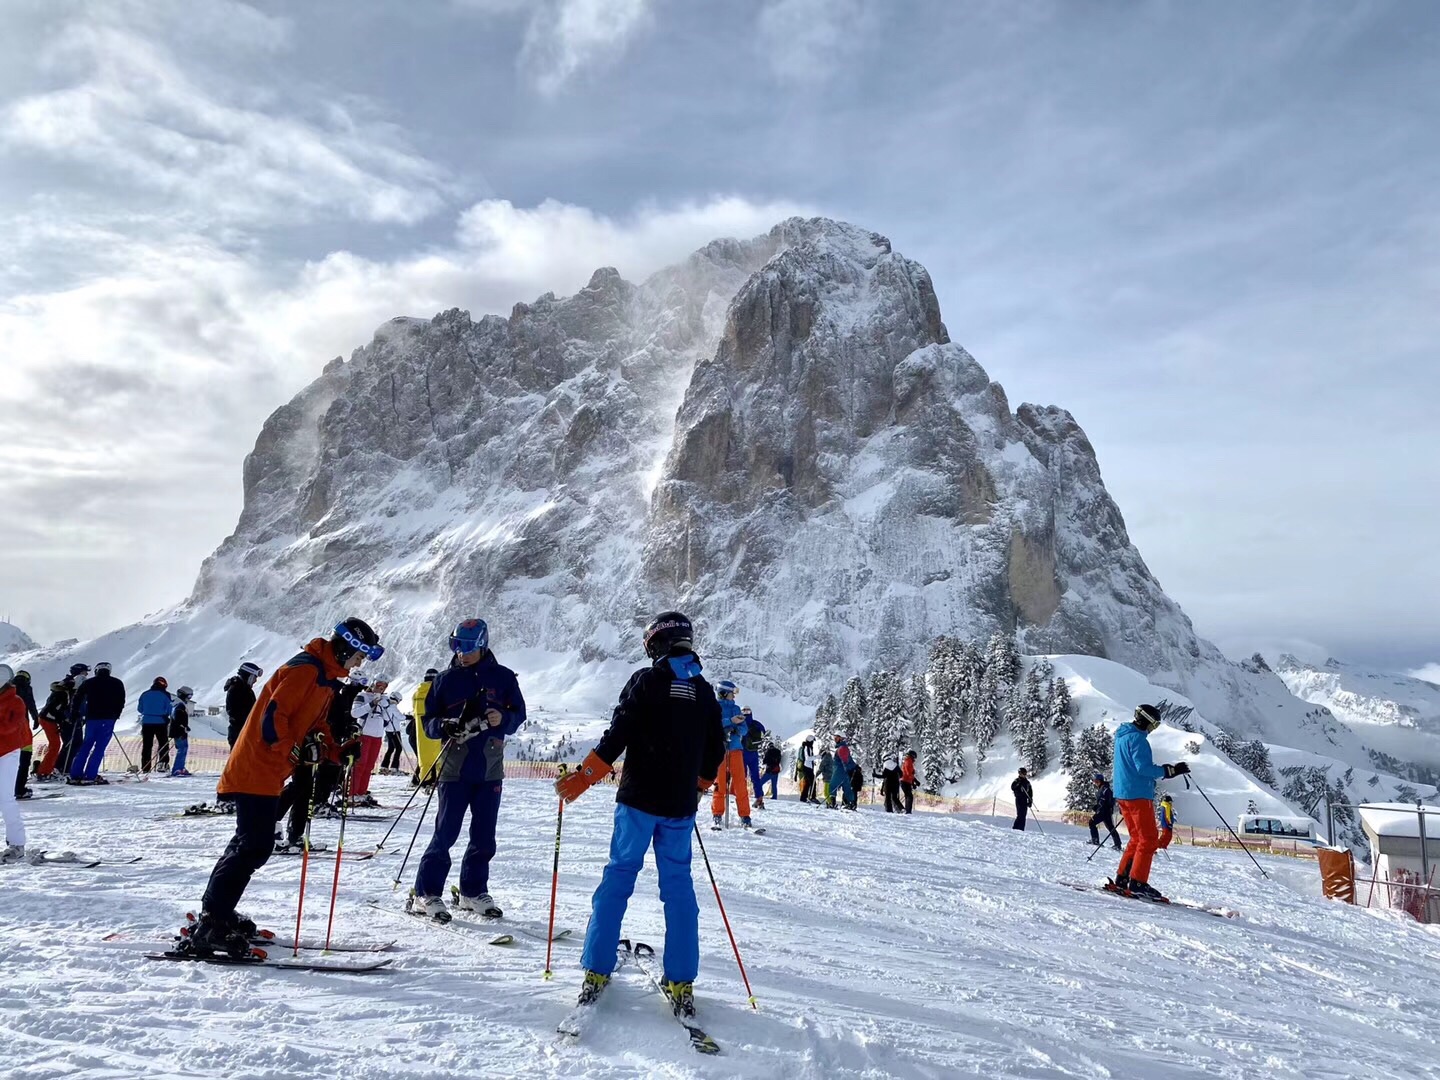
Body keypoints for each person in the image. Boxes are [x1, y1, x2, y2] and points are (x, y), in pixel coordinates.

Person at [554, 610, 724, 1018]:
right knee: (679, 891)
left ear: (656, 645)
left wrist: (583, 778)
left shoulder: (647, 680)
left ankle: (596, 970)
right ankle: (681, 979)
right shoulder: (703, 691)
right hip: (679, 809)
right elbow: (715, 750)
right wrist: (698, 788)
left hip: (637, 803)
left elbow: (619, 734)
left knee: (617, 879)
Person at [184, 618, 380, 956]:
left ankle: (215, 913)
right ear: (346, 647)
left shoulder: (324, 678)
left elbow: (314, 725)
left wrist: (336, 748)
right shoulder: (305, 670)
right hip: (257, 766)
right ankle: (212, 922)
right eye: (359, 654)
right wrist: (296, 749)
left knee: (248, 843)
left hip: (269, 770)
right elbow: (274, 719)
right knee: (255, 845)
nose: (360, 662)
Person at [412, 619, 526, 920]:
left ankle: (472, 892)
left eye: (468, 647)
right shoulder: (445, 680)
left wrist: (501, 717)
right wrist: (445, 725)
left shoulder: (502, 677)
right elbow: (428, 723)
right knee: (446, 831)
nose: (462, 653)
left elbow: (518, 714)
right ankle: (426, 893)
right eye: (456, 646)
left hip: (489, 768)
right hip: (455, 767)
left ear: (483, 644)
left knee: (484, 835)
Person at [1111, 703, 1189, 901]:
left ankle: (1123, 878)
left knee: (1136, 838)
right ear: (1146, 721)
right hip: (1138, 794)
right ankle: (1137, 883)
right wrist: (1169, 771)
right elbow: (1143, 768)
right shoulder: (1138, 740)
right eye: (1154, 724)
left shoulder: (1122, 737)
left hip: (1123, 793)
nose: (1153, 729)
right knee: (1148, 839)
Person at [67, 661, 126, 786]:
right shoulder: (117, 683)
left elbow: (77, 697)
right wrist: (116, 715)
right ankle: (90, 775)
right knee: (99, 747)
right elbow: (121, 700)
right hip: (108, 718)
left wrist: (74, 713)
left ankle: (75, 773)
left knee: (86, 745)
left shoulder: (89, 682)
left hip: (92, 718)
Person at [709, 681, 753, 829]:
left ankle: (745, 816)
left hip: (735, 748)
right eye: (731, 693)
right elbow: (711, 725)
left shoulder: (735, 708)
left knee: (740, 782)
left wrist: (736, 730)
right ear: (723, 693)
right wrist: (729, 723)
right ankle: (717, 813)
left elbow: (744, 729)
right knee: (719, 783)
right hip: (719, 749)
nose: (733, 695)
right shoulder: (714, 708)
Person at [0, 665, 29, 862]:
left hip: (7, 753)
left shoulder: (16, 701)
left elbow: (12, 727)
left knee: (5, 798)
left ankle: (17, 844)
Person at [348, 677, 390, 806]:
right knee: (360, 764)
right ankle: (352, 794)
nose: (380, 688)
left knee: (369, 766)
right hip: (364, 734)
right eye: (378, 685)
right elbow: (354, 713)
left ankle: (361, 792)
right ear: (373, 684)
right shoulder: (362, 696)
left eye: (383, 687)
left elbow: (388, 718)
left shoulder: (385, 699)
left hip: (377, 736)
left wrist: (385, 707)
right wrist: (371, 704)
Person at [56, 664, 88, 775]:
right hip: (71, 717)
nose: (87, 674)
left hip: (69, 717)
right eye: (85, 672)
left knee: (71, 743)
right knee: (74, 743)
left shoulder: (67, 682)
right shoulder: (74, 682)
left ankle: (62, 767)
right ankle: (63, 768)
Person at [138, 677, 173, 773]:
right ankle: (162, 765)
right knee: (163, 744)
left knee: (147, 745)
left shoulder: (144, 694)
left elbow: (140, 709)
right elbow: (170, 710)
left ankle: (145, 766)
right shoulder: (165, 695)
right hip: (161, 722)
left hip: (146, 722)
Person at [35, 679, 68, 781]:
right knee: (55, 745)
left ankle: (45, 769)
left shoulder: (55, 694)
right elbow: (54, 709)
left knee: (54, 745)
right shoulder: (61, 694)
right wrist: (62, 720)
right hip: (49, 720)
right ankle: (44, 771)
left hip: (46, 718)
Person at [224, 662, 263, 749]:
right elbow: (233, 712)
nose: (255, 680)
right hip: (239, 733)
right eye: (254, 677)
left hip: (247, 731)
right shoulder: (235, 689)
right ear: (247, 675)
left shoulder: (247, 690)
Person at [412, 667, 440, 786]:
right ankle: (436, 778)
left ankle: (425, 778)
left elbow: (414, 710)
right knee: (437, 754)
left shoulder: (417, 693)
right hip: (434, 726)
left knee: (424, 755)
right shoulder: (436, 692)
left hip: (420, 727)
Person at [11, 672, 37, 799]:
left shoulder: (7, 688)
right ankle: (19, 789)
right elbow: (31, 703)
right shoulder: (26, 688)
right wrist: (35, 718)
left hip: (6, 730)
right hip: (23, 727)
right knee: (24, 760)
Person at [740, 706, 767, 808]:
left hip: (742, 753)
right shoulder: (756, 723)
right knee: (755, 777)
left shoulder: (740, 722)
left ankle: (743, 799)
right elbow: (764, 733)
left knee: (742, 777)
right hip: (754, 754)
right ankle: (759, 799)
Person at [1089, 772, 1122, 850]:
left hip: (1103, 812)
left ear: (1101, 781)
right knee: (1111, 827)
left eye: (1097, 781)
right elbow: (1104, 801)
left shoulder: (1104, 789)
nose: (1095, 783)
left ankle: (1095, 840)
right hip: (1106, 812)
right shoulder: (1104, 788)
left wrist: (1098, 809)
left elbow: (1105, 801)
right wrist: (1097, 806)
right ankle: (1118, 844)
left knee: (1091, 823)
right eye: (1094, 781)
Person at [170, 687, 194, 776]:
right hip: (179, 731)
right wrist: (184, 726)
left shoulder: (178, 704)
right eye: (189, 696)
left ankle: (181, 767)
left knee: (184, 748)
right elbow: (178, 717)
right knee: (182, 749)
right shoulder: (179, 705)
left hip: (179, 730)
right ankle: (177, 769)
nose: (189, 698)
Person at [829, 734, 856, 810]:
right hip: (843, 771)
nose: (835, 739)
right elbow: (849, 760)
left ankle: (832, 803)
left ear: (841, 738)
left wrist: (846, 769)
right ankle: (851, 803)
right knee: (847, 787)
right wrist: (854, 767)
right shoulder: (844, 748)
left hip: (840, 771)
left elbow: (845, 761)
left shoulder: (841, 748)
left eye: (836, 738)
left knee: (832, 785)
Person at [381, 693, 406, 773]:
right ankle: (394, 767)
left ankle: (384, 766)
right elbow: (400, 717)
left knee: (391, 748)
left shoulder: (386, 706)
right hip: (394, 731)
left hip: (388, 730)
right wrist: (407, 717)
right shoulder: (393, 707)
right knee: (399, 748)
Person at [795, 737, 817, 804]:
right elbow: (808, 758)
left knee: (807, 783)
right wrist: (817, 757)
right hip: (807, 767)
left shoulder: (806, 747)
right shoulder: (807, 747)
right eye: (812, 741)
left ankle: (803, 797)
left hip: (806, 767)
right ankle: (812, 797)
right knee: (813, 782)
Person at [900, 750, 917, 814]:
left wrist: (913, 782)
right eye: (914, 757)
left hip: (907, 781)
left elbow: (910, 773)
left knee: (908, 796)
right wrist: (914, 781)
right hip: (905, 781)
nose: (914, 759)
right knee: (909, 796)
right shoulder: (908, 761)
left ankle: (908, 810)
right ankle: (908, 811)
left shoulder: (908, 761)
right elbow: (908, 773)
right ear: (912, 756)